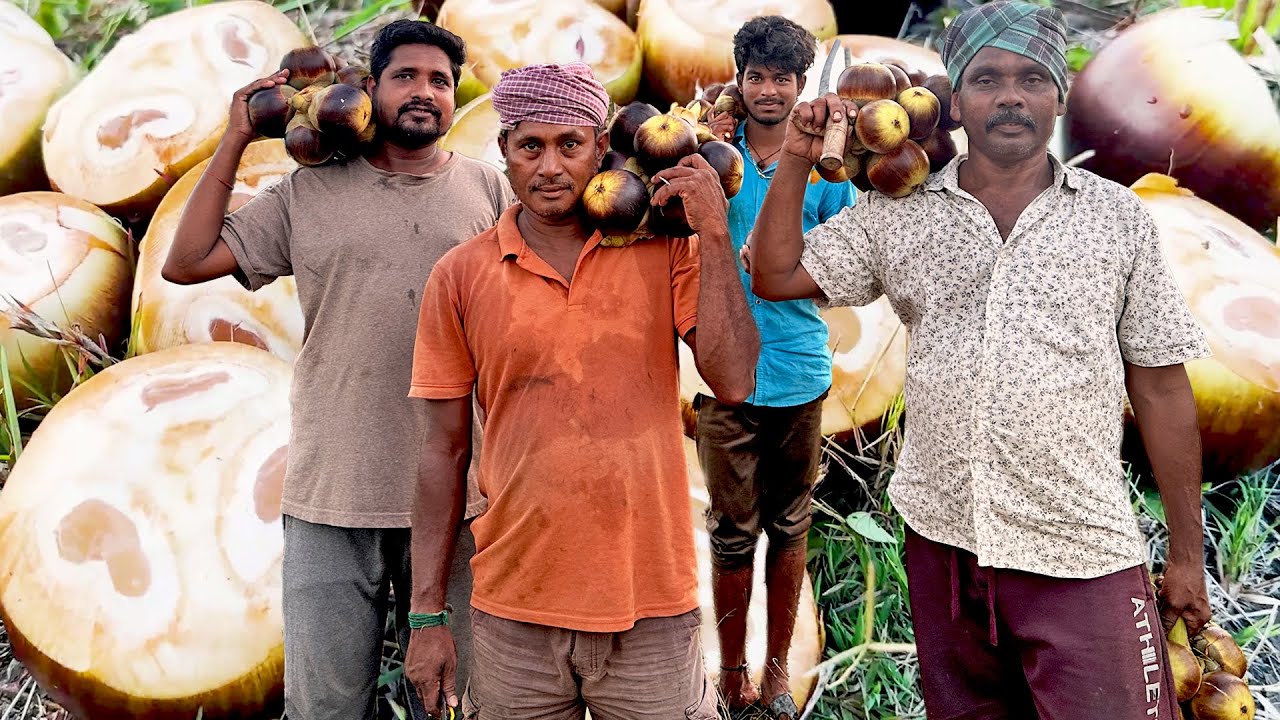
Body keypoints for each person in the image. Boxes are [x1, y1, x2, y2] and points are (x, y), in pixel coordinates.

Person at [748, 3, 1213, 718]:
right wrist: (798, 162)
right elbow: (777, 276)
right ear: (955, 102)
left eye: (1032, 78)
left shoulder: (1116, 219)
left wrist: (1187, 553)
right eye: (988, 79)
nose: (1010, 96)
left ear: (1058, 96)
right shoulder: (897, 213)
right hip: (945, 547)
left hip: (1079, 545)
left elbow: (1160, 387)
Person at [160, 19, 514, 720]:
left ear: (455, 98)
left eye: (439, 81)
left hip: (459, 498)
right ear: (370, 90)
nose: (423, 92)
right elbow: (186, 260)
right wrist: (235, 137)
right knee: (324, 707)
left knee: (460, 704)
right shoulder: (307, 191)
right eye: (404, 77)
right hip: (332, 492)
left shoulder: (489, 192)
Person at [402, 62, 761, 720]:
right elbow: (441, 453)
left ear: (601, 149)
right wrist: (426, 614)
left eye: (570, 145)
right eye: (529, 146)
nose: (549, 168)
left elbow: (734, 379)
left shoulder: (664, 252)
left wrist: (713, 230)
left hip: (650, 604)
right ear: (504, 151)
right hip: (515, 614)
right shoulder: (460, 275)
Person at [699, 15, 854, 720]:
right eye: (756, 76)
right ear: (739, 78)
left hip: (798, 370)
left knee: (790, 526)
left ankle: (779, 671)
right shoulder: (712, 155)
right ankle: (732, 678)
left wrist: (785, 265)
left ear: (802, 85)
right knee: (732, 532)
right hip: (723, 374)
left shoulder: (827, 169)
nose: (768, 90)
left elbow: (843, 270)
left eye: (783, 79)